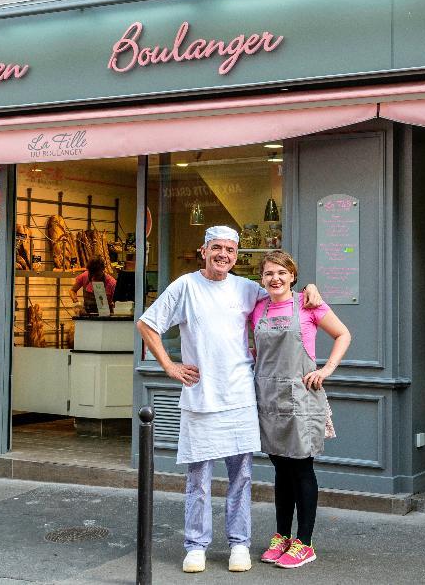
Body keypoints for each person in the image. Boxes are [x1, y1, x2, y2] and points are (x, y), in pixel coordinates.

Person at [135, 227, 321, 574]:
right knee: (199, 480)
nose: (224, 254)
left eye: (230, 250)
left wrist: (310, 288)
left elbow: (284, 292)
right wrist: (170, 367)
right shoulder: (185, 286)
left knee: (242, 478)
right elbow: (147, 324)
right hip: (201, 397)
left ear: (237, 255)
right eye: (216, 248)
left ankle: (239, 544)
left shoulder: (247, 289)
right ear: (203, 250)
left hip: (240, 397)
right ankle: (196, 546)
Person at [252, 251, 351, 569]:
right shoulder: (257, 308)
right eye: (268, 274)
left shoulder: (308, 303)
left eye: (281, 272)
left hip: (301, 397)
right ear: (262, 279)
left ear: (292, 276)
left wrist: (326, 370)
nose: (275, 279)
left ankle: (304, 542)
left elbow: (342, 334)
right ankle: (282, 536)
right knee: (281, 470)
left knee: (302, 469)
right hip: (268, 398)